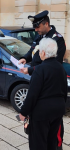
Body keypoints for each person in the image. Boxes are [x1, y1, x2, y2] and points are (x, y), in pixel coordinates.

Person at [19, 10, 66, 150]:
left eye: (38, 26)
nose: (35, 29)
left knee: (49, 138)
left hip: (44, 81)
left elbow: (52, 64)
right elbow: (32, 51)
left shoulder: (57, 39)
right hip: (49, 96)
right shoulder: (40, 36)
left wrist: (32, 70)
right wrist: (25, 59)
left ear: (46, 23)